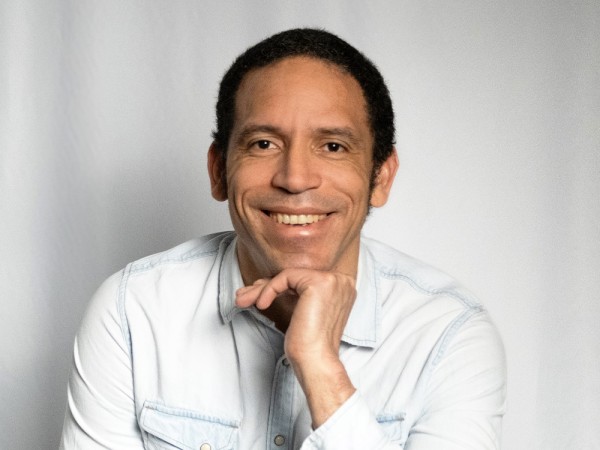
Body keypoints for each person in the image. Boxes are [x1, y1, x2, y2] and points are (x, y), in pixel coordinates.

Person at [60, 28, 506, 449]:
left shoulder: (447, 334)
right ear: (219, 171)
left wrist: (321, 369)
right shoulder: (132, 311)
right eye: (263, 144)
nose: (295, 178)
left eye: (333, 146)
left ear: (381, 178)